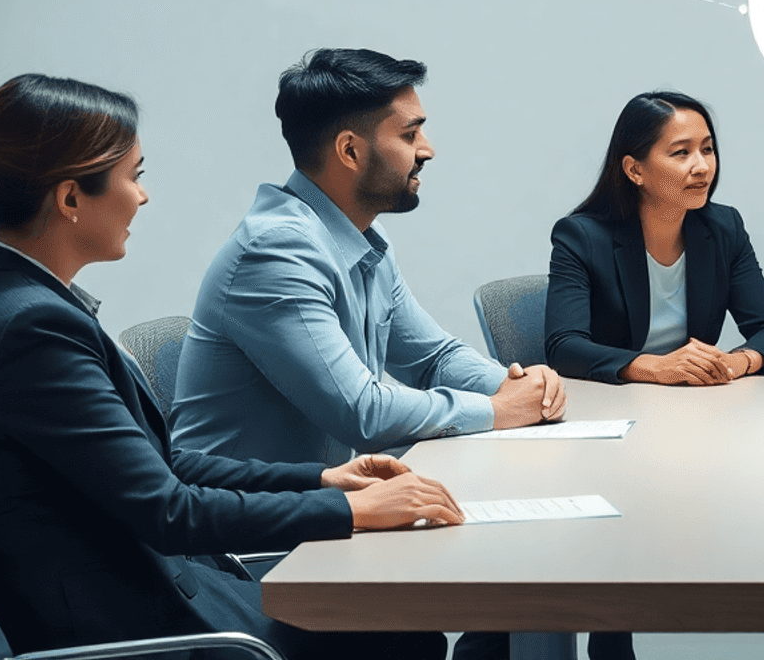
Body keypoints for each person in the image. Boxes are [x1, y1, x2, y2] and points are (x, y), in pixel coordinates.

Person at [0, 75, 461, 660]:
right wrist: (351, 509)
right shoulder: (31, 331)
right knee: (401, 634)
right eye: (135, 176)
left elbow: (154, 463)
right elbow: (167, 511)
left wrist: (322, 480)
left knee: (393, 620)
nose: (143, 196)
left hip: (129, 590)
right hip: (136, 624)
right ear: (71, 198)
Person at [172, 49, 565, 467]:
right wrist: (499, 410)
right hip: (251, 520)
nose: (427, 150)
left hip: (323, 502)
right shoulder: (275, 253)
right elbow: (362, 413)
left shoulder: (364, 240)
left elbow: (433, 359)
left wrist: (520, 386)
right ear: (350, 151)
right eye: (410, 135)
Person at [545, 91, 764, 386]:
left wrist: (735, 362)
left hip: (693, 402)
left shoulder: (725, 228)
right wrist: (656, 368)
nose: (702, 167)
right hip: (614, 402)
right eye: (681, 153)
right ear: (635, 170)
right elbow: (563, 347)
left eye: (708, 149)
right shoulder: (581, 238)